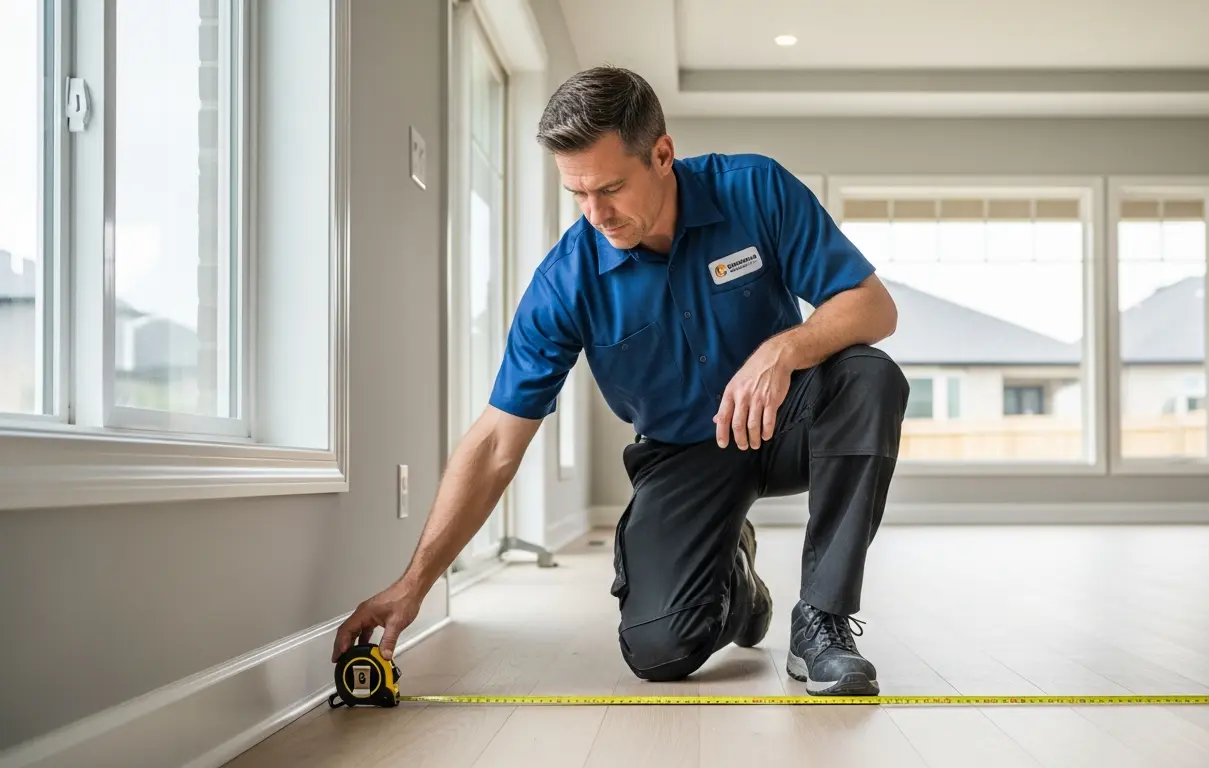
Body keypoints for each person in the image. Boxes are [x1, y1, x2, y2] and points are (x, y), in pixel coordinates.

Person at [332, 65, 908, 696]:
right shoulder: (566, 281)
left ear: (662, 154)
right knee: (659, 650)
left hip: (786, 417)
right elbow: (498, 441)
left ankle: (821, 619)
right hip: (683, 453)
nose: (595, 213)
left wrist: (784, 351)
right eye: (577, 193)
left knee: (868, 377)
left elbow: (874, 307)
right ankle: (735, 588)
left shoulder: (755, 189)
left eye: (610, 187)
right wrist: (412, 586)